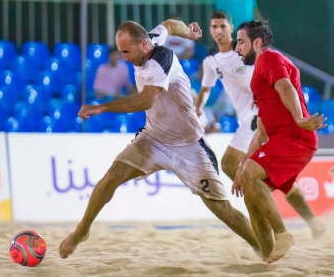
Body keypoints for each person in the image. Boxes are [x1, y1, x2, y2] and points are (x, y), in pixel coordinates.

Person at [59, 19, 260, 259]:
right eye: (120, 51)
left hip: (189, 145)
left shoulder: (159, 61)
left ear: (143, 45)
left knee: (222, 209)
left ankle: (260, 247)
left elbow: (146, 100)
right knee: (112, 176)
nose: (123, 58)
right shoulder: (151, 39)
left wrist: (102, 108)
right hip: (153, 138)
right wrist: (188, 33)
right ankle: (82, 231)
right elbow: (169, 24)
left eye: (126, 51)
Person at [196, 10, 326, 240]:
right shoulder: (211, 60)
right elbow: (206, 89)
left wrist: (275, 113)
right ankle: (310, 221)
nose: (218, 31)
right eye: (213, 27)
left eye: (222, 26)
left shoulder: (248, 56)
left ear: (231, 28)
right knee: (267, 176)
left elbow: (274, 85)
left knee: (236, 168)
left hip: (256, 120)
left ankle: (266, 215)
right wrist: (198, 109)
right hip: (245, 121)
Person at [232, 20, 327, 263]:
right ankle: (267, 258)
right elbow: (262, 131)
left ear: (257, 43)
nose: (236, 48)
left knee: (252, 177)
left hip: (294, 136)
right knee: (251, 195)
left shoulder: (268, 58)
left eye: (240, 41)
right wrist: (243, 164)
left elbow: (286, 87)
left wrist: (299, 118)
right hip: (280, 137)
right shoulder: (260, 75)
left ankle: (283, 234)